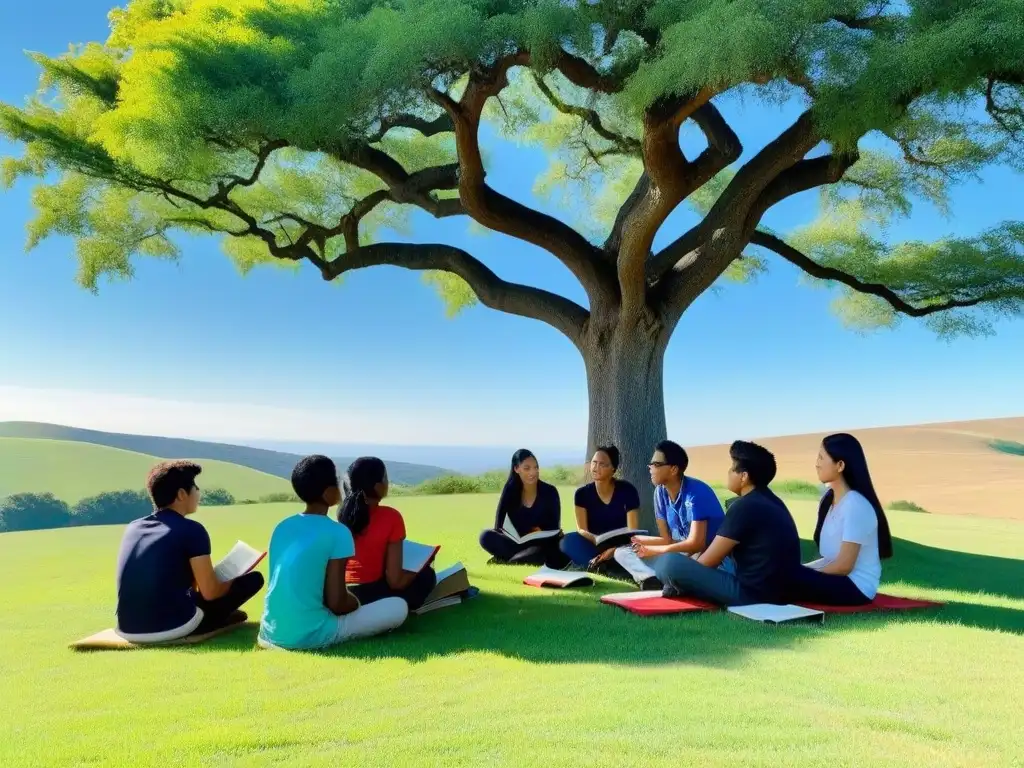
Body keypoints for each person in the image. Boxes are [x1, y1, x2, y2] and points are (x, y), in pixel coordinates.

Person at [258, 455, 407, 651]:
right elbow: (337, 603)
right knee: (398, 607)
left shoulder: (282, 526)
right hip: (312, 636)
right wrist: (355, 603)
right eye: (336, 483)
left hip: (269, 634)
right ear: (328, 493)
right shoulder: (337, 532)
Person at [114, 461, 265, 643]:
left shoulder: (133, 527)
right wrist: (231, 578)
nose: (198, 493)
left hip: (127, 627)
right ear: (181, 494)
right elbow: (210, 592)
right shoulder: (192, 530)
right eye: (196, 487)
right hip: (172, 627)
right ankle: (219, 619)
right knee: (254, 580)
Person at [654, 441, 802, 606]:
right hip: (780, 589)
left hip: (752, 594)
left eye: (732, 468)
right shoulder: (772, 501)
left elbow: (708, 562)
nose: (728, 472)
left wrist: (685, 576)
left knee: (668, 563)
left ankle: (681, 587)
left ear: (744, 477)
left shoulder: (743, 506)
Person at [788, 433, 894, 606]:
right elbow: (830, 559)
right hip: (838, 579)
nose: (817, 464)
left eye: (822, 458)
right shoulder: (828, 500)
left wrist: (804, 575)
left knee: (782, 584)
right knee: (783, 578)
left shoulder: (855, 505)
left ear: (840, 465)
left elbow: (844, 566)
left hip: (856, 587)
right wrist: (802, 570)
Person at [614, 440, 725, 589]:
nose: (650, 468)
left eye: (656, 464)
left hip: (705, 555)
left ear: (673, 469)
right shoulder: (659, 493)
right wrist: (639, 542)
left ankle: (667, 578)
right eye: (651, 464)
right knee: (622, 552)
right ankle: (651, 579)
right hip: (679, 552)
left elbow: (696, 544)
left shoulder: (697, 493)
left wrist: (654, 550)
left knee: (673, 562)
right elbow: (667, 539)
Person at [340, 457, 438, 611]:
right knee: (427, 575)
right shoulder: (391, 517)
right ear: (378, 486)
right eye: (385, 477)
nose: (388, 481)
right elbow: (395, 582)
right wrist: (420, 567)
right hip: (370, 596)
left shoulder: (342, 516)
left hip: (341, 594)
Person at [479, 449, 570, 568]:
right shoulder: (510, 490)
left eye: (535, 467)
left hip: (541, 544)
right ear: (516, 469)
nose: (533, 472)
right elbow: (498, 525)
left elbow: (554, 527)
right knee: (485, 536)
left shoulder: (550, 492)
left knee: (545, 552)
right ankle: (518, 558)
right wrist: (508, 534)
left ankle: (509, 559)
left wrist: (537, 530)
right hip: (516, 543)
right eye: (527, 468)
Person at [560, 445, 641, 570]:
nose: (596, 468)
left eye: (602, 464)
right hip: (593, 543)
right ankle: (600, 564)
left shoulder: (627, 490)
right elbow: (582, 529)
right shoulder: (581, 494)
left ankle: (605, 564)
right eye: (594, 462)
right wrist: (595, 539)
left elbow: (633, 529)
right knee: (568, 541)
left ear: (613, 469)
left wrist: (614, 550)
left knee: (628, 550)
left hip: (621, 546)